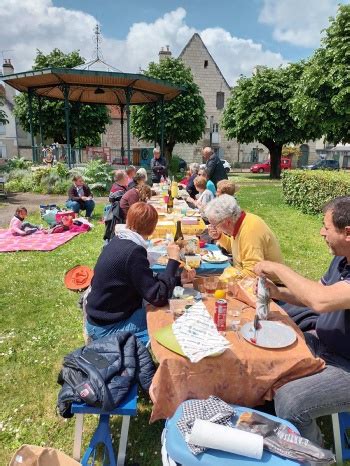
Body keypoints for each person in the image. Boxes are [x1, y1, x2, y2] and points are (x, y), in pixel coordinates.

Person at [254, 196, 350, 446]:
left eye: (326, 227)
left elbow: (320, 300)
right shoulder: (342, 259)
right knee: (266, 353)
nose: (321, 232)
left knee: (290, 401)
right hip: (327, 346)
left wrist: (278, 269)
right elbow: (313, 294)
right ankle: (274, 432)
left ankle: (316, 458)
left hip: (346, 366)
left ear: (347, 233)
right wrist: (279, 293)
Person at [85, 202, 195, 340]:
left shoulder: (120, 239)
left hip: (101, 317)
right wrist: (173, 261)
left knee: (171, 305)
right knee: (170, 317)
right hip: (106, 327)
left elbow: (144, 281)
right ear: (152, 228)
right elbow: (158, 297)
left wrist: (179, 280)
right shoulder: (133, 252)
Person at [205, 194, 283, 280]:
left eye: (215, 225)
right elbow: (237, 249)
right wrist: (219, 236)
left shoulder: (250, 231)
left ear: (227, 222)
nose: (214, 228)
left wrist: (223, 280)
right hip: (251, 281)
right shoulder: (239, 222)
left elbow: (253, 272)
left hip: (270, 287)